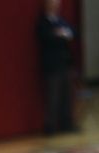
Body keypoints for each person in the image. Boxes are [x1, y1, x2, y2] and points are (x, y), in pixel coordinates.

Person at [37, 0, 77, 134]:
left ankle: (67, 124)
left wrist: (61, 34)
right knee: (53, 97)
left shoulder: (61, 21)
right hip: (52, 65)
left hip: (65, 63)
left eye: (57, 4)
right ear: (47, 5)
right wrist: (59, 35)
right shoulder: (43, 22)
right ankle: (51, 126)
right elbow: (47, 38)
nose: (55, 7)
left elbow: (72, 32)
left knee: (67, 96)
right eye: (53, 4)